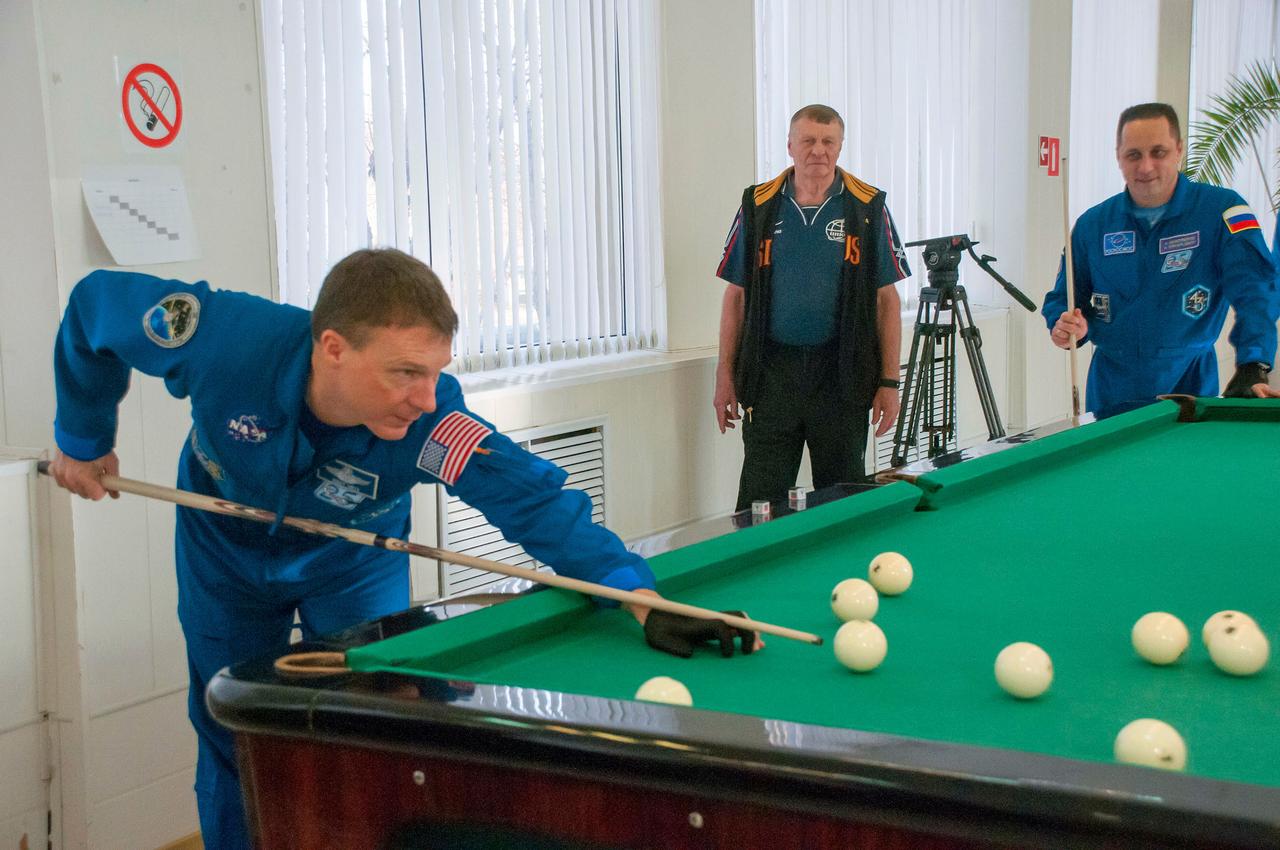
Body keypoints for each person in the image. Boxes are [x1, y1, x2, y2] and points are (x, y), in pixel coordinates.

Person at [48, 249, 755, 850]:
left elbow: (534, 504)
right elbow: (93, 309)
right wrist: (83, 439)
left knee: (377, 719)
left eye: (435, 371)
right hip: (223, 551)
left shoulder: (431, 422)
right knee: (231, 726)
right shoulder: (224, 340)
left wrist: (637, 593)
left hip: (353, 563)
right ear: (333, 348)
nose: (427, 395)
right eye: (404, 372)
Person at [713, 104, 910, 511]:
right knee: (760, 499)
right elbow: (735, 297)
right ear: (790, 146)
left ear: (840, 148)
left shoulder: (868, 207)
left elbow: (886, 301)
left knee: (843, 497)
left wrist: (889, 383)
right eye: (808, 141)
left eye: (827, 142)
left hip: (842, 374)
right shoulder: (758, 205)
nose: (817, 151)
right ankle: (758, 570)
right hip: (770, 375)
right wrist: (724, 375)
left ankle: (848, 571)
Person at [1043, 102, 1279, 415]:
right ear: (1119, 156)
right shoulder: (1092, 225)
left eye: (1159, 152)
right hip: (1112, 388)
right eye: (1134, 155)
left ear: (1179, 150)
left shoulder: (1221, 211)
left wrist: (1254, 364)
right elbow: (1065, 298)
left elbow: (1256, 291)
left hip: (1189, 386)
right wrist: (1065, 325)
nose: (1146, 167)